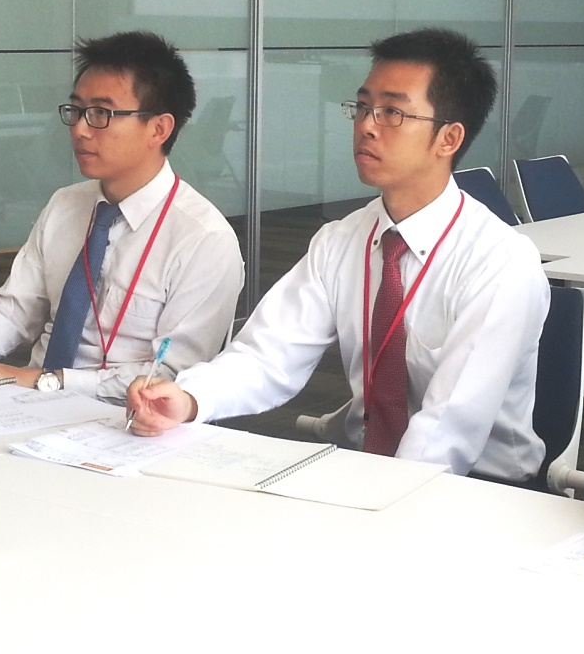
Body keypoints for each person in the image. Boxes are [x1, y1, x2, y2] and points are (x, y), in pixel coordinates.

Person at [126, 28, 549, 482]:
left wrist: (375, 502)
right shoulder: (341, 240)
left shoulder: (499, 262)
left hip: (481, 488)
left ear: (448, 138)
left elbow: (449, 428)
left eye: (392, 112)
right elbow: (267, 355)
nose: (366, 125)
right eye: (363, 107)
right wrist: (189, 398)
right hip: (361, 466)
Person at [0, 31, 243, 400]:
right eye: (76, 110)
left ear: (159, 129)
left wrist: (46, 380)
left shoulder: (203, 239)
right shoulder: (65, 205)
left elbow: (172, 376)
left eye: (101, 114)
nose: (80, 129)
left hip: (125, 417)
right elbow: (16, 310)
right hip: (26, 403)